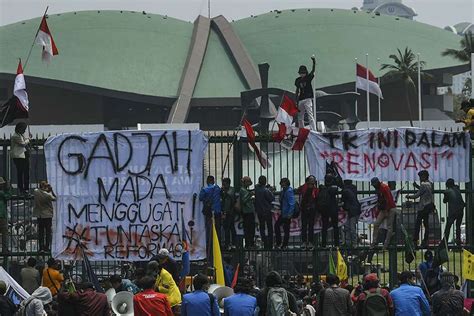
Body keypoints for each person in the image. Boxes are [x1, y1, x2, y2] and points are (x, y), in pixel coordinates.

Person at [407, 170, 434, 247]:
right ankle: (425, 240)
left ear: (424, 176)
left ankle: (415, 240)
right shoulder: (430, 184)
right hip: (428, 206)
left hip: (422, 207)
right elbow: (424, 191)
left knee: (417, 224)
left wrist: (409, 197)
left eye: (420, 177)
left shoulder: (423, 184)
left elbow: (418, 194)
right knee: (426, 224)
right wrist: (416, 186)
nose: (420, 178)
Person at [370, 177, 397, 249]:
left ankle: (386, 244)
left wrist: (387, 211)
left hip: (390, 208)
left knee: (389, 227)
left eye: (374, 184)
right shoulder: (379, 188)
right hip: (384, 209)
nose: (373, 186)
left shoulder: (384, 187)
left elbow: (388, 199)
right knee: (376, 224)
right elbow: (380, 201)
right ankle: (374, 241)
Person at [200, 175, 222, 253]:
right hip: (217, 211)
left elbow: (200, 198)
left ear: (207, 181)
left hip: (209, 212)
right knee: (218, 228)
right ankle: (218, 244)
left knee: (209, 229)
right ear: (213, 181)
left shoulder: (205, 189)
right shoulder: (218, 188)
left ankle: (210, 245)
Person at [33, 181, 56, 252]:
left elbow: (37, 190)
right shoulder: (48, 195)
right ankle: (47, 247)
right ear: (44, 187)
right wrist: (51, 191)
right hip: (47, 215)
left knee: (41, 233)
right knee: (48, 232)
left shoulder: (36, 192)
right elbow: (55, 198)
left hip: (39, 215)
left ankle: (41, 247)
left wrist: (46, 189)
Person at [295, 56, 317, 130]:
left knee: (310, 114)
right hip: (301, 99)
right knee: (300, 116)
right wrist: (296, 99)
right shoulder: (298, 80)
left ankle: (314, 129)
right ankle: (302, 130)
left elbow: (313, 70)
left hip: (307, 98)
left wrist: (314, 62)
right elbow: (297, 89)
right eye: (301, 73)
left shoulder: (308, 77)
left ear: (305, 73)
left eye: (303, 73)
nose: (302, 74)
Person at [298, 176, 318, 250]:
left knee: (308, 226)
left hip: (308, 209)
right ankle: (308, 242)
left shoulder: (305, 188)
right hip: (308, 209)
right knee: (307, 226)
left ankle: (307, 242)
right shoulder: (314, 189)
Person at [254, 175, 275, 250]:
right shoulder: (266, 190)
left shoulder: (257, 189)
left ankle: (264, 242)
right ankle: (270, 244)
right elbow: (271, 198)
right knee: (269, 228)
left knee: (262, 228)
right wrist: (271, 190)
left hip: (259, 211)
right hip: (266, 211)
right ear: (265, 181)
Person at [443, 178, 466, 245]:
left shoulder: (447, 191)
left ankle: (445, 241)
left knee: (448, 227)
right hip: (460, 210)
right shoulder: (457, 189)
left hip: (453, 212)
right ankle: (458, 241)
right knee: (458, 226)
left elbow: (444, 201)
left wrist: (445, 193)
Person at [320, 174, 340, 248]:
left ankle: (323, 244)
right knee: (335, 226)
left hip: (324, 209)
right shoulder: (334, 188)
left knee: (324, 227)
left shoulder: (322, 188)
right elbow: (339, 185)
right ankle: (336, 244)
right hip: (333, 209)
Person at [11, 122, 31, 195]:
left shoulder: (20, 135)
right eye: (23, 129)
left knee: (26, 172)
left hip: (24, 155)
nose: (24, 131)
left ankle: (26, 188)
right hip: (19, 157)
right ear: (19, 129)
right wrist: (28, 139)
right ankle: (21, 189)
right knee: (20, 173)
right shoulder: (15, 136)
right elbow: (23, 144)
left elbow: (24, 140)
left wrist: (28, 138)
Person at [275, 178, 295, 250]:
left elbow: (292, 203)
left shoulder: (289, 191)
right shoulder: (284, 191)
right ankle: (281, 243)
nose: (281, 184)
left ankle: (283, 244)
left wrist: (290, 214)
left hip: (286, 213)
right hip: (284, 213)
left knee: (285, 229)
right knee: (280, 227)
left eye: (283, 183)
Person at [341, 179, 361, 246]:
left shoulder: (345, 190)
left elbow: (343, 200)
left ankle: (350, 243)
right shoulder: (354, 188)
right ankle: (353, 243)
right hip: (354, 210)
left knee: (348, 228)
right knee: (351, 228)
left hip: (350, 211)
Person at [221, 177, 237, 250]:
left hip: (228, 213)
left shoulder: (229, 192)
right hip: (231, 212)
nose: (223, 186)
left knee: (227, 228)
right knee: (231, 228)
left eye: (224, 184)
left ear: (228, 184)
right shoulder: (231, 190)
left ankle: (228, 244)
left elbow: (227, 204)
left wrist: (224, 213)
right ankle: (233, 244)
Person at [240, 176, 256, 249]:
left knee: (249, 229)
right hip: (247, 212)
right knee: (249, 229)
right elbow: (244, 200)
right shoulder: (243, 190)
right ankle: (249, 243)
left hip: (248, 211)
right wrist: (250, 195)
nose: (249, 183)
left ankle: (249, 243)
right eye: (248, 182)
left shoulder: (245, 190)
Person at [0, 177, 12, 254]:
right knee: (5, 232)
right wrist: (8, 189)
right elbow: (8, 196)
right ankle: (5, 249)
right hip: (1, 214)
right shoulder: (1, 192)